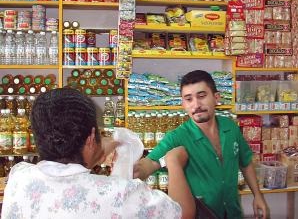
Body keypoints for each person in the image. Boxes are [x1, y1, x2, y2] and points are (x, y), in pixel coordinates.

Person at [1, 88, 195, 219]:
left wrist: (101, 146)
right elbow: (183, 213)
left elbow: (68, 173)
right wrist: (174, 163)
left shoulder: (19, 177)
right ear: (91, 137)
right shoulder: (119, 193)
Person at [134, 70, 268, 219]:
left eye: (202, 96)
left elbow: (245, 162)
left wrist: (257, 195)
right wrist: (130, 167)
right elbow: (150, 164)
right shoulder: (177, 137)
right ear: (183, 104)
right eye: (188, 99)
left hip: (233, 212)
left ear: (216, 97)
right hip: (201, 214)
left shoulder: (230, 127)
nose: (196, 104)